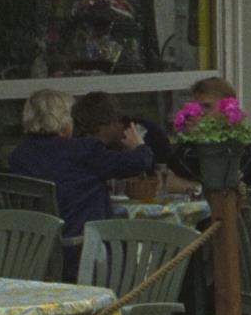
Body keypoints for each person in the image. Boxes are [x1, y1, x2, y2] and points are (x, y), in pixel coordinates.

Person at [9, 87, 154, 262]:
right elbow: (138, 163)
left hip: (36, 251)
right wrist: (139, 146)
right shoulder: (81, 150)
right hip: (82, 249)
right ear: (63, 119)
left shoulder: (19, 155)